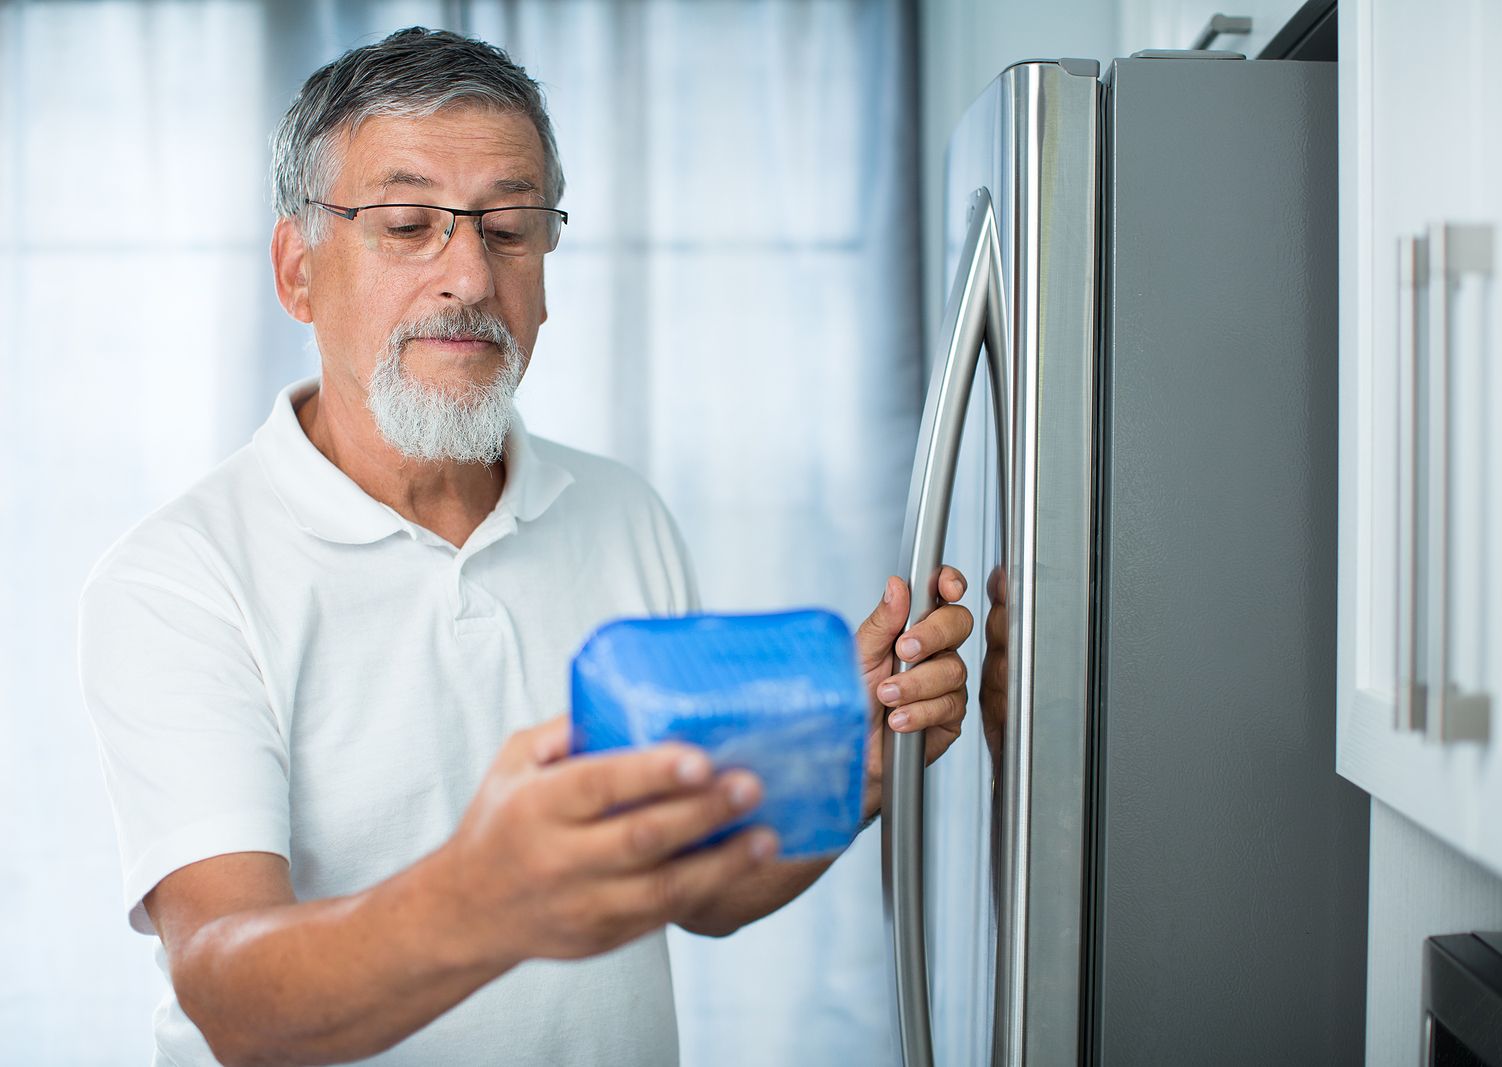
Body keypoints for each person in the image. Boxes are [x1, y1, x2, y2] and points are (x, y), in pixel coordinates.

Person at [78, 26, 973, 1067]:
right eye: (407, 224)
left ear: (545, 270)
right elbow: (236, 997)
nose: (467, 273)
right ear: (299, 270)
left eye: (509, 228)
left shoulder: (621, 513)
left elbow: (699, 886)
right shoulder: (178, 578)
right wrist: (486, 897)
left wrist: (853, 768)